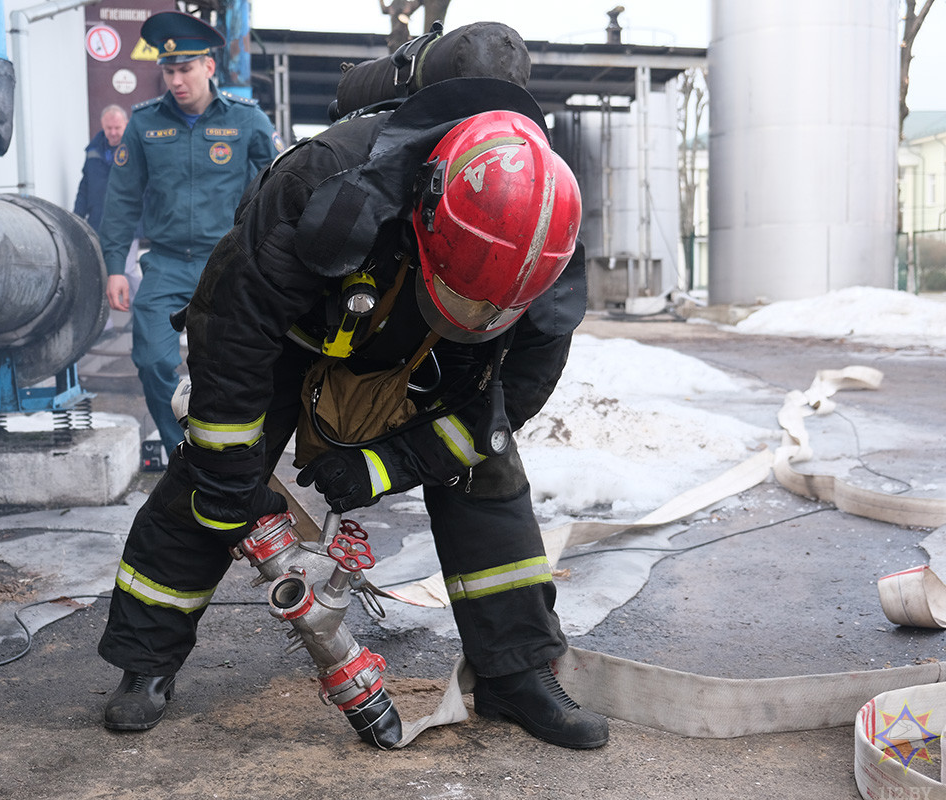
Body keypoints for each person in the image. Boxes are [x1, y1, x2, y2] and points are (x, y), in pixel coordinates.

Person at [97, 75, 609, 752]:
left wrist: (390, 462)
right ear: (428, 217)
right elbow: (235, 327)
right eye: (470, 296)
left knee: (484, 470)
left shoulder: (542, 253)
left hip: (428, 354)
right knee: (216, 473)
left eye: (496, 310)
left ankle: (517, 672)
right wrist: (230, 481)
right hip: (293, 338)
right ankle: (147, 660)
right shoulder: (324, 182)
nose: (483, 316)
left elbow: (505, 404)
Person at [99, 11, 284, 454]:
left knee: (234, 365)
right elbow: (121, 200)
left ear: (208, 67)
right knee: (152, 359)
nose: (177, 80)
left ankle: (236, 455)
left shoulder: (247, 121)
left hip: (228, 261)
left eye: (185, 69)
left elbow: (280, 192)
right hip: (164, 264)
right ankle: (181, 452)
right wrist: (113, 268)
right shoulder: (144, 124)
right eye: (169, 71)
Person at [73, 104, 128, 233]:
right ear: (102, 125)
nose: (113, 133)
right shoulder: (93, 151)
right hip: (98, 223)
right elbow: (85, 187)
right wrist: (76, 218)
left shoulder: (136, 150)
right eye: (109, 128)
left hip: (128, 226)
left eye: (117, 128)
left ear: (126, 124)